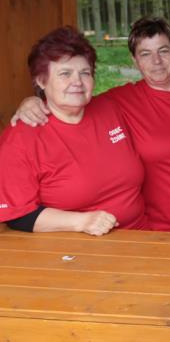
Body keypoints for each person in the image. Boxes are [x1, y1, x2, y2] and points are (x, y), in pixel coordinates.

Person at [10, 17, 170, 233]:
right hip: (159, 229)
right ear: (134, 60)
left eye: (163, 50)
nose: (156, 61)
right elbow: (70, 100)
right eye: (145, 53)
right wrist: (32, 102)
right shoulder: (120, 101)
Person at [0, 27, 147, 235]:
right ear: (41, 81)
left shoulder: (110, 108)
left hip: (144, 237)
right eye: (65, 74)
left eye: (85, 73)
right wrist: (80, 222)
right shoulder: (21, 137)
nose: (77, 82)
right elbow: (18, 215)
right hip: (76, 251)